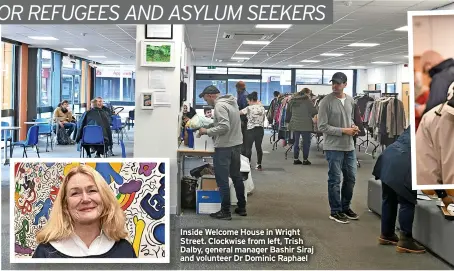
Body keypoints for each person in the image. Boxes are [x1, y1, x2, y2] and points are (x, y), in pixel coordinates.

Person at [33, 165, 136, 258]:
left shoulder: (125, 250)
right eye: (75, 193)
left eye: (92, 191)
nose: (85, 199)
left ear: (105, 198)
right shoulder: (45, 253)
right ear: (65, 205)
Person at [372, 127, 425, 254]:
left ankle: (387, 234)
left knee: (389, 198)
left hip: (389, 155)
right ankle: (406, 240)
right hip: (405, 160)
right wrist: (442, 194)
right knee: (407, 201)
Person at [198, 85, 246, 220]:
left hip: (225, 147)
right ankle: (242, 207)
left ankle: (225, 212)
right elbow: (223, 123)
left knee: (222, 180)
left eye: (205, 98)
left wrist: (206, 131)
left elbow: (224, 127)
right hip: (236, 144)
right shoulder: (231, 102)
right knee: (236, 176)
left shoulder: (219, 106)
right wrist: (208, 126)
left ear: (210, 96)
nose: (205, 102)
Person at [317, 72, 360, 224]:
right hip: (333, 147)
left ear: (345, 84)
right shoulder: (325, 102)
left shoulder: (350, 100)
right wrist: (343, 131)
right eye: (333, 83)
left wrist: (353, 126)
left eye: (338, 83)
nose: (335, 85)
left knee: (351, 178)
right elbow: (322, 126)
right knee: (335, 179)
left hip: (349, 146)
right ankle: (335, 211)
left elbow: (349, 118)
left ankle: (345, 207)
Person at [285, 88, 318, 165]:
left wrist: (288, 122)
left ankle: (296, 159)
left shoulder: (292, 100)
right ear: (306, 93)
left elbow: (288, 112)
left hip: (295, 124)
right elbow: (314, 112)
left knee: (296, 142)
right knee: (306, 142)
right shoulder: (307, 101)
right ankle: (305, 160)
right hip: (306, 125)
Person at [420, 50, 454, 115]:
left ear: (428, 64)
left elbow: (434, 109)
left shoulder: (440, 77)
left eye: (426, 71)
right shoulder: (451, 70)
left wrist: (423, 112)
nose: (428, 75)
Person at [240, 91, 266, 170]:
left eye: (248, 101)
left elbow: (238, 113)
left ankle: (248, 164)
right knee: (259, 147)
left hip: (250, 130)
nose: (248, 103)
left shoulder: (248, 108)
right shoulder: (262, 108)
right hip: (260, 130)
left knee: (248, 148)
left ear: (251, 100)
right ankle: (259, 164)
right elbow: (264, 119)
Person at [236, 81, 249, 155]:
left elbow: (244, 109)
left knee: (243, 139)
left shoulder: (244, 95)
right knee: (243, 139)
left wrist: (242, 120)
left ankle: (243, 156)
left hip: (244, 120)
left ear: (238, 88)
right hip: (244, 119)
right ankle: (243, 155)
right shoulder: (244, 94)